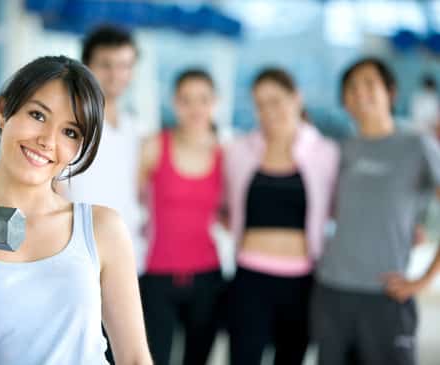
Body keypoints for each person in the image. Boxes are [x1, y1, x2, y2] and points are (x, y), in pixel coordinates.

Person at [0, 56, 152, 365]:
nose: (47, 141)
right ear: (3, 110)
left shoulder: (102, 228)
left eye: (70, 132)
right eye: (38, 115)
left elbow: (134, 358)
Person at [314, 57, 440, 365]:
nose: (360, 93)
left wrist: (423, 280)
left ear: (391, 92)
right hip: (332, 291)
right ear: (344, 101)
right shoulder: (340, 149)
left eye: (370, 84)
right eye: (352, 88)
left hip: (387, 294)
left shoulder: (417, 145)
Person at [223, 68, 339, 365]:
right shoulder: (238, 151)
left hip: (301, 280)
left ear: (296, 98)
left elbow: (345, 207)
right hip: (250, 276)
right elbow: (220, 202)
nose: (268, 112)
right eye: (260, 104)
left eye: (275, 101)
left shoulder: (327, 153)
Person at [138, 69, 224, 365]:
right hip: (157, 275)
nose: (195, 108)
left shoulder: (224, 154)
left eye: (203, 99)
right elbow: (130, 202)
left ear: (215, 103)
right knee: (153, 358)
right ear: (174, 103)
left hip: (207, 277)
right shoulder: (153, 146)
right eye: (186, 100)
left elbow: (229, 214)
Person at [58, 24, 144, 272]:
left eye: (125, 65)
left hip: (128, 257)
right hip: (79, 256)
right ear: (86, 67)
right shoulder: (72, 124)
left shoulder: (134, 128)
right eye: (106, 65)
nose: (116, 74)